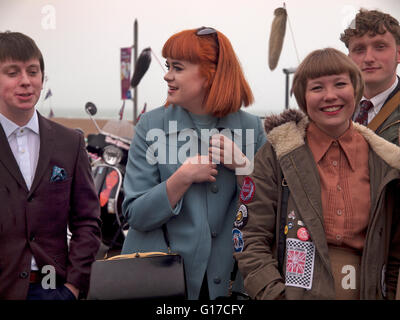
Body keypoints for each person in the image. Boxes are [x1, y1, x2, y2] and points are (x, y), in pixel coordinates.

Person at [234, 48, 400, 299]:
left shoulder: (384, 161)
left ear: (355, 89)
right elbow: (250, 235)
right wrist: (275, 295)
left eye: (340, 84)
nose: (330, 96)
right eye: (317, 88)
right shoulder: (277, 155)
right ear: (303, 97)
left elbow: (395, 249)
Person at [121, 27, 266, 299]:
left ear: (210, 75)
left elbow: (267, 215)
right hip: (156, 283)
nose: (167, 75)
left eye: (177, 67)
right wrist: (181, 178)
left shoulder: (253, 129)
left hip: (227, 285)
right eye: (167, 66)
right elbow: (135, 214)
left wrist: (245, 168)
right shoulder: (149, 125)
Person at [0, 31, 101, 300]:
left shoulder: (70, 142)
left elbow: (88, 221)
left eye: (32, 71)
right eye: (12, 72)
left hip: (52, 289)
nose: (25, 82)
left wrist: (73, 288)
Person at [341, 9, 400, 145]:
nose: (368, 58)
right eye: (359, 49)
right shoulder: (332, 107)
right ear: (349, 59)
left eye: (380, 47)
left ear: (398, 54)